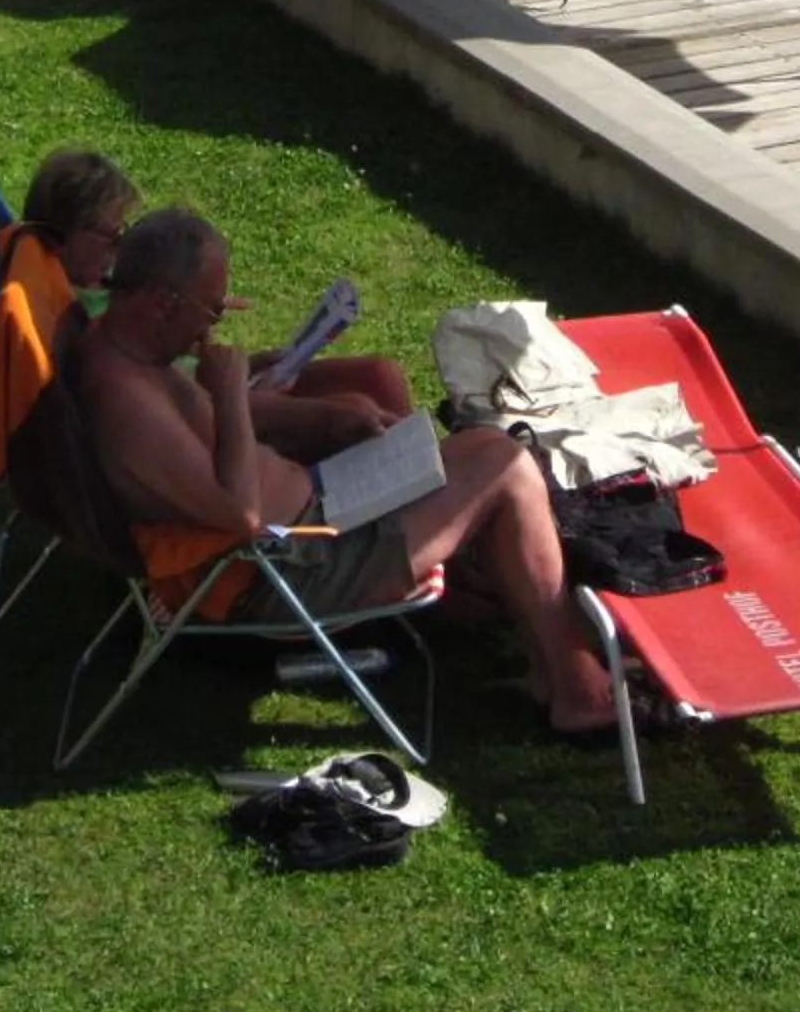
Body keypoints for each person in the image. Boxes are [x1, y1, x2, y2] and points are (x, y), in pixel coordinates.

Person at [80, 208, 617, 736]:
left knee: (484, 449)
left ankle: (550, 669)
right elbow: (241, 514)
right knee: (506, 468)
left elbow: (210, 433)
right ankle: (579, 691)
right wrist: (229, 397)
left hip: (313, 520)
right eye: (213, 310)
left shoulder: (134, 354)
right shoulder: (127, 402)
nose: (212, 330)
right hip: (287, 570)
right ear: (163, 302)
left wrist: (321, 417)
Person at [11, 148, 411, 460]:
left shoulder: (103, 284)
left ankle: (423, 487)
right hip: (210, 423)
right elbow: (175, 404)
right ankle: (416, 500)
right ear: (69, 232)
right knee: (357, 411)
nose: (120, 247)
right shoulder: (86, 319)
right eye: (112, 235)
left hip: (223, 391)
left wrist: (244, 366)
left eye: (125, 232)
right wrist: (248, 394)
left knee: (380, 375)